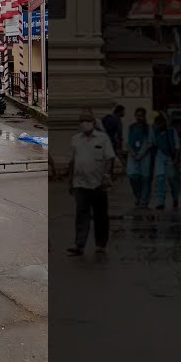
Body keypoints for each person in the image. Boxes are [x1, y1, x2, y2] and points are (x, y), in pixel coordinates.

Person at [68, 108, 115, 256]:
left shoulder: (102, 138)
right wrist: (70, 181)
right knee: (81, 214)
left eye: (87, 120)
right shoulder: (75, 139)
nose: (85, 123)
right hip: (80, 183)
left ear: (94, 122)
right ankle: (79, 245)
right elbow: (73, 161)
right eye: (82, 120)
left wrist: (106, 175)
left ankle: (100, 244)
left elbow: (110, 158)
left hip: (98, 184)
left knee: (100, 215)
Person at [152, 113, 181, 210]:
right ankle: (161, 202)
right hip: (159, 156)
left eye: (159, 124)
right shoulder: (155, 132)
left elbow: (177, 146)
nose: (158, 126)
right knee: (160, 178)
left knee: (172, 178)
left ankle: (175, 197)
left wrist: (176, 158)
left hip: (170, 157)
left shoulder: (172, 131)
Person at [126, 108, 153, 208]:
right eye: (137, 115)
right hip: (133, 157)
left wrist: (141, 155)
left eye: (141, 115)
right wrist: (133, 154)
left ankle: (144, 200)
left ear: (144, 116)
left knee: (145, 179)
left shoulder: (148, 128)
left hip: (145, 157)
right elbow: (128, 143)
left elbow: (150, 144)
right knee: (133, 177)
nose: (139, 117)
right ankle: (137, 196)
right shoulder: (131, 127)